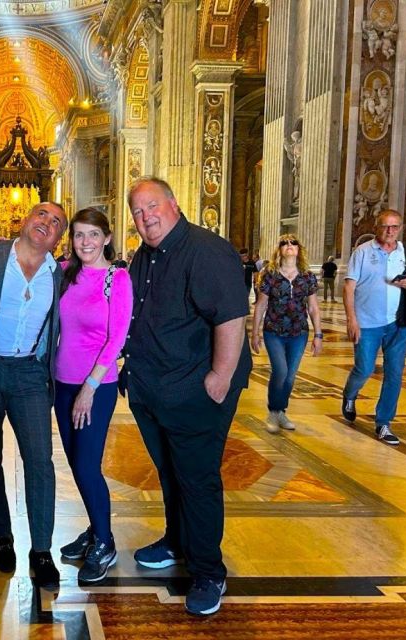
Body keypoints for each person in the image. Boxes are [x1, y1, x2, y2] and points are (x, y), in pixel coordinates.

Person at [121, 177, 251, 616]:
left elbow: (231, 317)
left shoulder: (206, 250)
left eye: (152, 206)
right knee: (170, 472)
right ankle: (177, 542)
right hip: (154, 387)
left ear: (173, 204)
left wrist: (219, 376)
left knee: (196, 480)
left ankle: (209, 571)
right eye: (137, 211)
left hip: (195, 390)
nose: (145, 217)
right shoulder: (147, 255)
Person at [0, 201, 68, 590]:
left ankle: (41, 551)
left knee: (40, 461)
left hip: (29, 373)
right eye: (42, 215)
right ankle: (2, 537)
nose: (47, 223)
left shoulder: (60, 275)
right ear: (26, 220)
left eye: (56, 222)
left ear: (59, 239)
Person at [53, 208, 133, 583]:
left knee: (87, 466)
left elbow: (116, 337)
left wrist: (90, 386)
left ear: (107, 237)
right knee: (76, 464)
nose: (85, 242)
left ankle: (105, 541)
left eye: (92, 235)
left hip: (94, 387)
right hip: (62, 384)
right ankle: (94, 528)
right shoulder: (67, 273)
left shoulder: (117, 278)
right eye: (79, 235)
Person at [341, 210, 406, 446]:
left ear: (400, 228)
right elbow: (348, 287)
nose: (390, 231)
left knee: (394, 373)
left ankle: (384, 422)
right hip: (367, 323)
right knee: (364, 369)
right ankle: (349, 394)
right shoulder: (363, 252)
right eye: (386, 226)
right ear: (377, 227)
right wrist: (351, 320)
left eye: (394, 227)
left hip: (398, 323)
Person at [250, 235, 323, 433]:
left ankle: (281, 411)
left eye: (293, 243)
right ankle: (273, 412)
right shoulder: (270, 274)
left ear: (299, 249)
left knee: (290, 376)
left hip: (299, 332)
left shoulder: (307, 276)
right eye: (284, 243)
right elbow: (261, 304)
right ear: (279, 249)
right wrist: (254, 333)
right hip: (274, 330)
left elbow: (314, 307)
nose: (289, 246)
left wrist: (318, 335)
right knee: (280, 371)